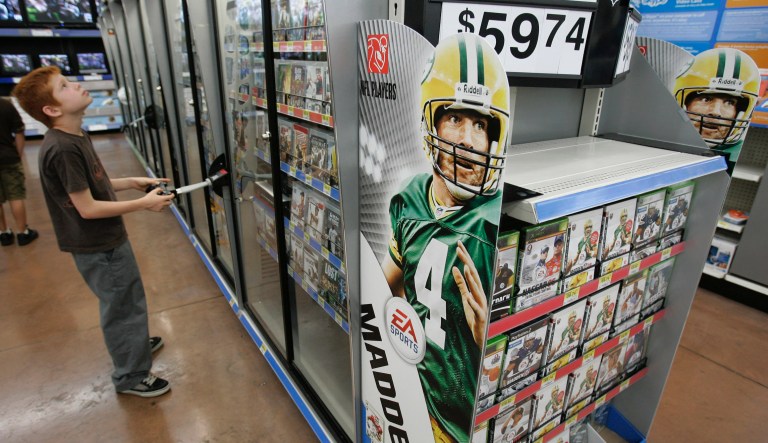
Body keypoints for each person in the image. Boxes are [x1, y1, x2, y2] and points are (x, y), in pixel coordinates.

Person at [13, 66, 175, 397]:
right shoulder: (62, 148)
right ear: (52, 110)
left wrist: (131, 183)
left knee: (128, 298)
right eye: (65, 86)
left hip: (107, 239)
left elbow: (93, 185)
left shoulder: (76, 135)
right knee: (121, 306)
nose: (77, 85)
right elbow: (87, 208)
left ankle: (132, 343)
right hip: (97, 246)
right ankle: (130, 375)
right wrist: (143, 204)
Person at [381, 34, 510, 443]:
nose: (469, 141)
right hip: (413, 396)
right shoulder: (409, 199)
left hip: (463, 425)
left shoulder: (497, 229)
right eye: (455, 118)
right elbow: (387, 287)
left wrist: (487, 338)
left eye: (481, 124)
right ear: (431, 122)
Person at [673, 48, 760, 173]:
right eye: (706, 98)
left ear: (742, 111)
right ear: (684, 101)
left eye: (729, 102)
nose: (716, 112)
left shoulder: (736, 160)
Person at [0, 97, 38, 246]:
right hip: (9, 157)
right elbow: (19, 132)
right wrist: (18, 155)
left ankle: (3, 233)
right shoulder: (5, 104)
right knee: (16, 196)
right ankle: (23, 233)